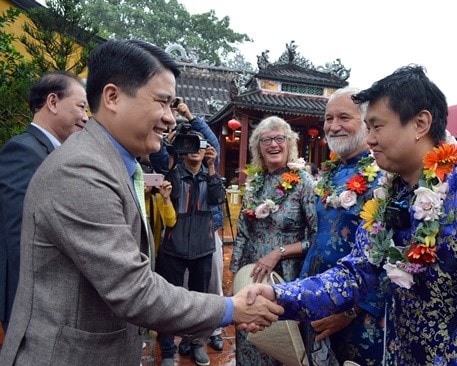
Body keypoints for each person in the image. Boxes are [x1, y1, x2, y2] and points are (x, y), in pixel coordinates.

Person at [0, 39, 282, 366]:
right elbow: (134, 291)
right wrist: (231, 308)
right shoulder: (81, 171)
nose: (170, 119)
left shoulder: (117, 162)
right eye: (162, 103)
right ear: (113, 97)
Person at [247, 65, 457, 365]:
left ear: (420, 123)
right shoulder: (391, 193)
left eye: (377, 127)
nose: (370, 140)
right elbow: (355, 274)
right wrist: (278, 297)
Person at [299, 87, 386, 365]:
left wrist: (351, 312)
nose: (333, 126)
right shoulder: (331, 171)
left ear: (366, 121)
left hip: (361, 314)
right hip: (316, 298)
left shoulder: (384, 176)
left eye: (344, 117)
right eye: (328, 118)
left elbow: (392, 255)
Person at [0, 71, 88, 333]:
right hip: (30, 304)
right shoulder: (24, 151)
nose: (85, 117)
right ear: (53, 102)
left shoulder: (56, 153)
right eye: (81, 107)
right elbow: (20, 237)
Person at [230, 116, 318, 366]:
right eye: (266, 140)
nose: (273, 145)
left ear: (290, 144)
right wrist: (235, 279)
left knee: (281, 344)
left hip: (286, 279)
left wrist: (278, 252)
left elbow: (316, 239)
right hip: (251, 276)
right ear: (258, 147)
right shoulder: (254, 184)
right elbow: (243, 234)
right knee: (250, 337)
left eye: (280, 138)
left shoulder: (304, 184)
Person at [155, 128, 225, 366]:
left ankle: (196, 344)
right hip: (173, 248)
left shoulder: (210, 177)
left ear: (207, 150)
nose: (196, 149)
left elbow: (217, 198)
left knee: (200, 301)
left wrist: (213, 168)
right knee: (168, 300)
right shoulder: (173, 175)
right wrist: (171, 149)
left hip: (203, 248)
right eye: (190, 145)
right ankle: (166, 350)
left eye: (201, 144)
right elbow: (161, 166)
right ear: (184, 150)